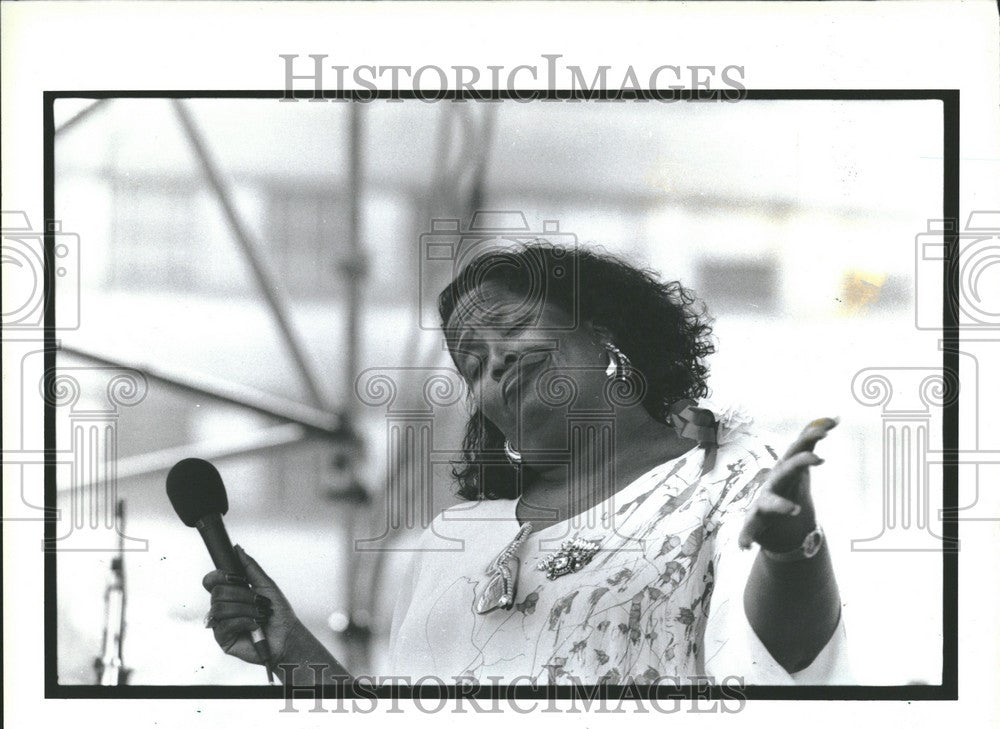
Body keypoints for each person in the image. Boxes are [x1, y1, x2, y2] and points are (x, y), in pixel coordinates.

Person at [203, 243, 849, 686]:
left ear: (605, 336)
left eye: (513, 329)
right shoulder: (453, 540)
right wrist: (289, 647)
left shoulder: (727, 475)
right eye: (473, 363)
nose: (496, 364)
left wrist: (793, 553)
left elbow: (783, 672)